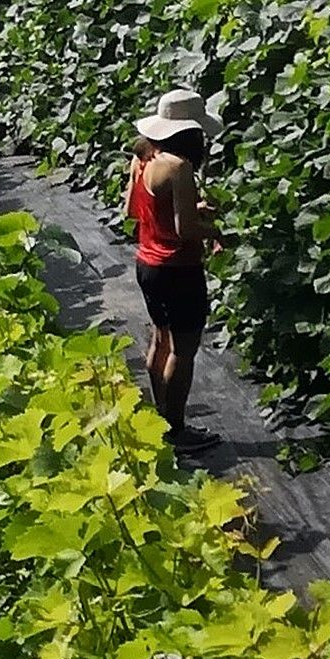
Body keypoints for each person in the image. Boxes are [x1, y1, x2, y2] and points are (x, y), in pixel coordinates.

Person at [128, 87, 220, 448]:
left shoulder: (143, 160)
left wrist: (189, 208)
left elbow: (135, 211)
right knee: (183, 350)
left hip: (147, 264)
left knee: (159, 340)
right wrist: (216, 231)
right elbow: (184, 232)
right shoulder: (180, 168)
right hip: (178, 269)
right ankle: (177, 430)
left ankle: (160, 419)